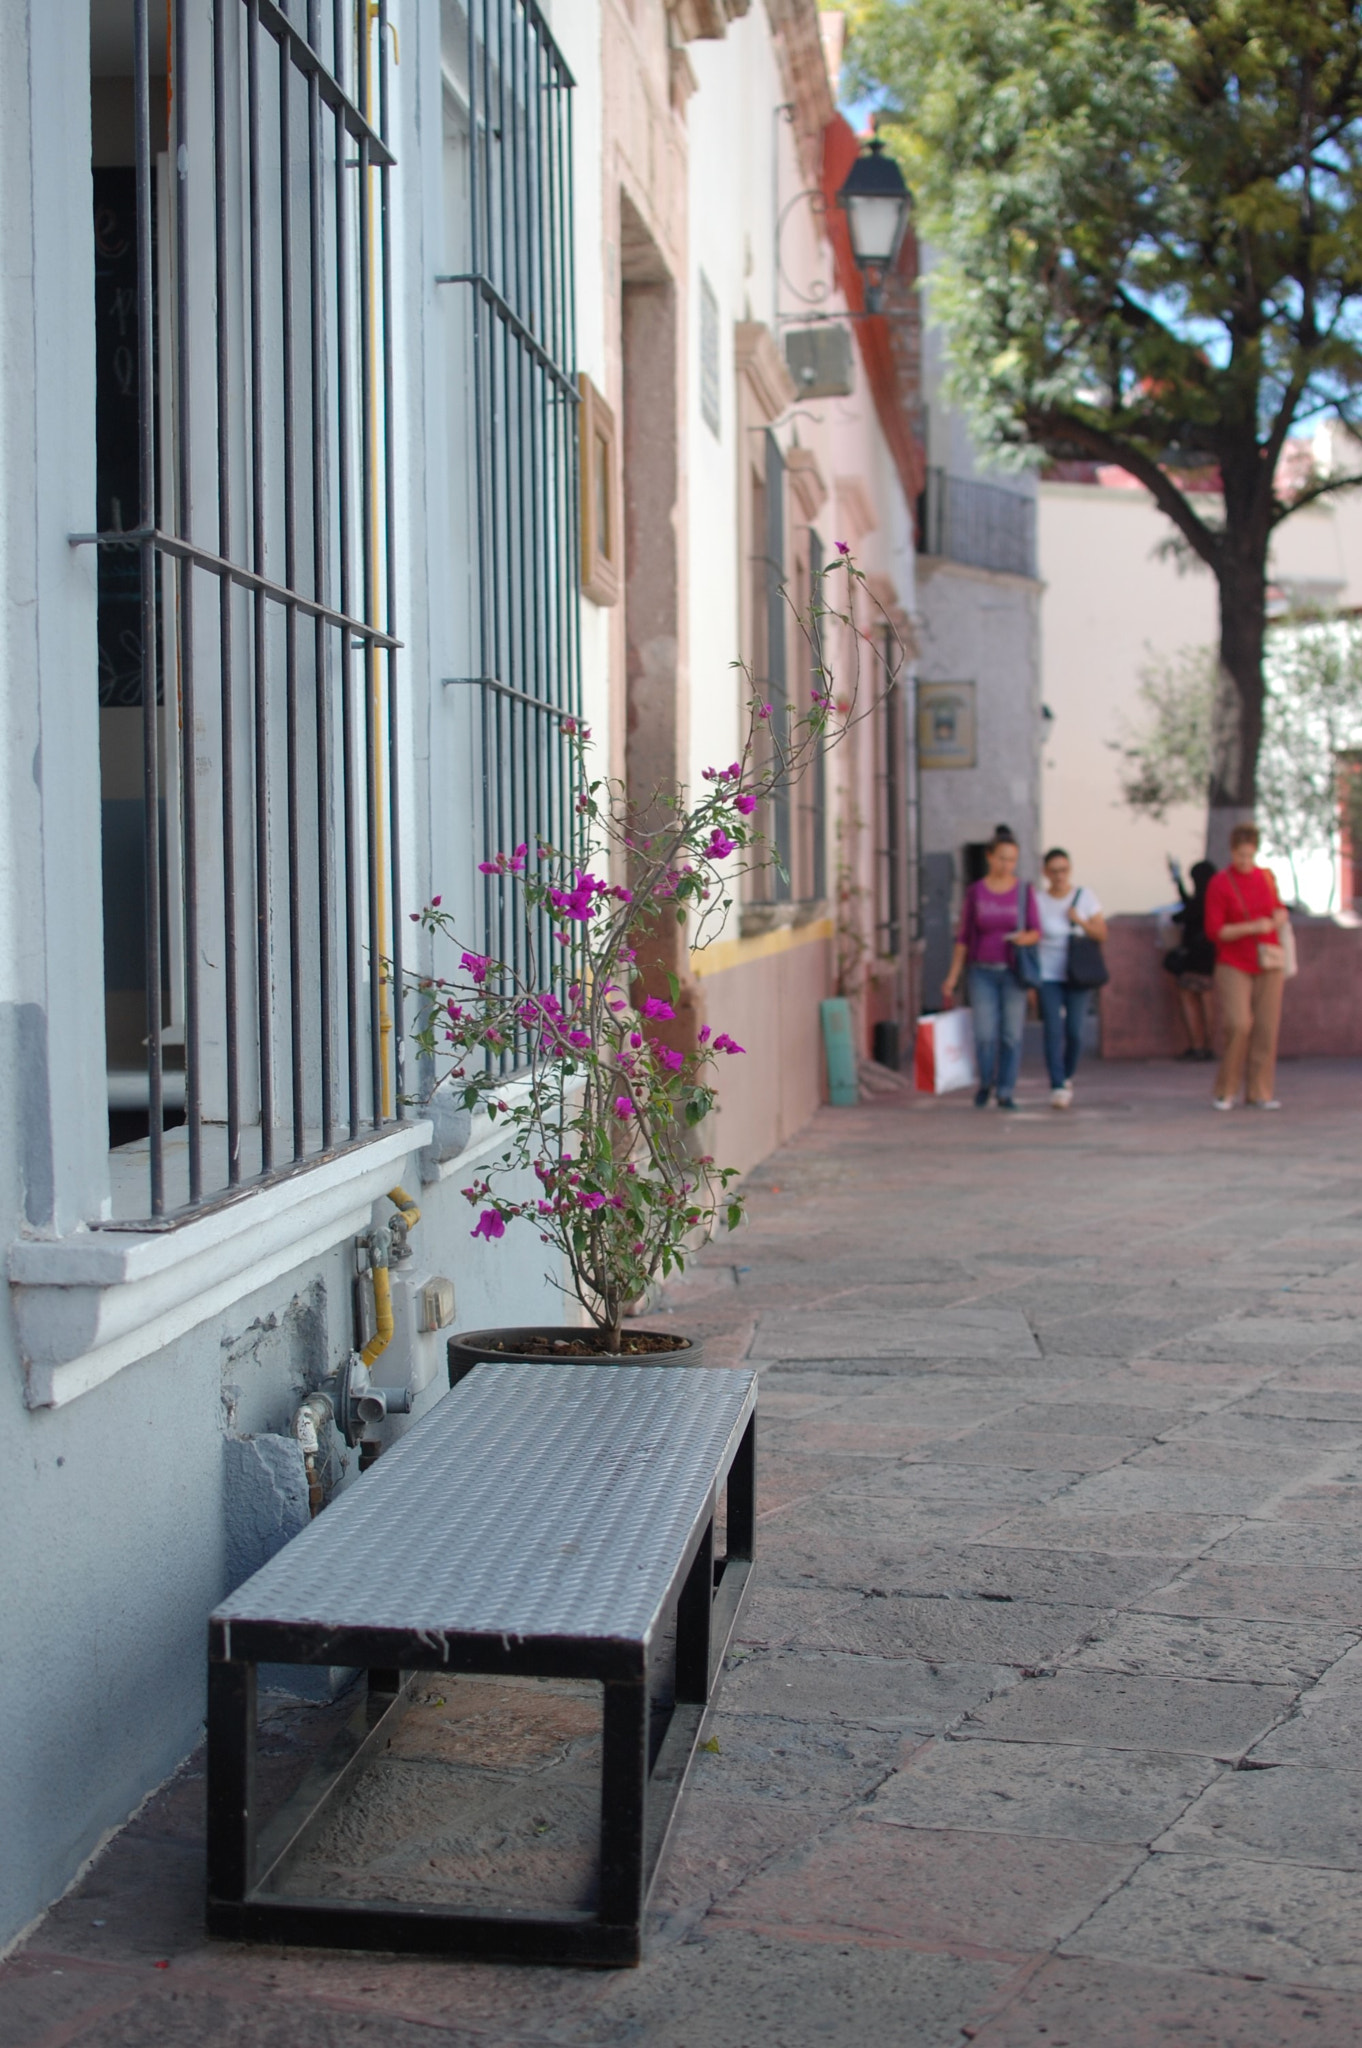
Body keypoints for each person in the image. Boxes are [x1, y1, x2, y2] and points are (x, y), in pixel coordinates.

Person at [941, 828, 1040, 1110]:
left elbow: (1036, 931)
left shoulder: (1024, 891)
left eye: (1012, 860)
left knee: (1011, 1035)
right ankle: (986, 1082)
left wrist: (1023, 938)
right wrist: (952, 976)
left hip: (1012, 971)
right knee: (984, 1034)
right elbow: (963, 937)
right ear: (989, 857)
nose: (1006, 865)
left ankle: (1006, 1090)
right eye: (1001, 858)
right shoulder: (976, 892)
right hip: (981, 971)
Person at [1204, 822, 1288, 1111]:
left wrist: (1276, 919)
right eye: (1241, 855)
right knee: (1239, 1023)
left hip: (1268, 959)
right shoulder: (1220, 883)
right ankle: (1225, 1089)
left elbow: (1279, 908)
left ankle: (1259, 1091)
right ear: (1232, 852)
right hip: (1233, 961)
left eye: (1250, 856)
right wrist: (1251, 927)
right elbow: (1215, 930)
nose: (1245, 862)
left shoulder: (1265, 877)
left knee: (1266, 1027)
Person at [1036, 848, 1107, 1109]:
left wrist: (1080, 921)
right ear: (1045, 873)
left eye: (1063, 870)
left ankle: (1066, 1075)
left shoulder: (1085, 897)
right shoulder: (1039, 900)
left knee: (1075, 1031)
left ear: (1070, 870)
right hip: (1048, 974)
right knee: (1053, 1029)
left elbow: (1102, 934)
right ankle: (1056, 1084)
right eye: (1053, 871)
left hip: (1077, 973)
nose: (1059, 876)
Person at [1163, 858, 1217, 1060]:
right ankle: (1209, 1046)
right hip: (1210, 955)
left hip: (1194, 956)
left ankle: (1197, 1045)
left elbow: (1182, 916)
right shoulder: (1214, 898)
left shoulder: (1201, 901)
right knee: (1207, 998)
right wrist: (1179, 884)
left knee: (1190, 998)